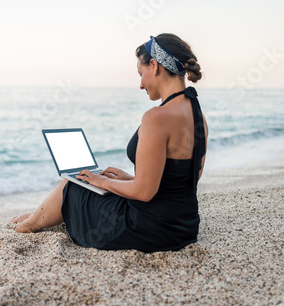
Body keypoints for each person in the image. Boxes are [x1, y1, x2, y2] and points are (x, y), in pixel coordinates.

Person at [11, 33, 208, 253]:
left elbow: (144, 194)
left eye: (141, 74)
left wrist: (101, 182)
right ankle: (41, 213)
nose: (141, 84)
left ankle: (29, 225)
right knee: (93, 184)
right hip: (184, 227)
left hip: (149, 230)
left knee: (73, 184)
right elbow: (188, 178)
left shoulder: (156, 117)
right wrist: (133, 178)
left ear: (154, 66)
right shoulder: (198, 116)